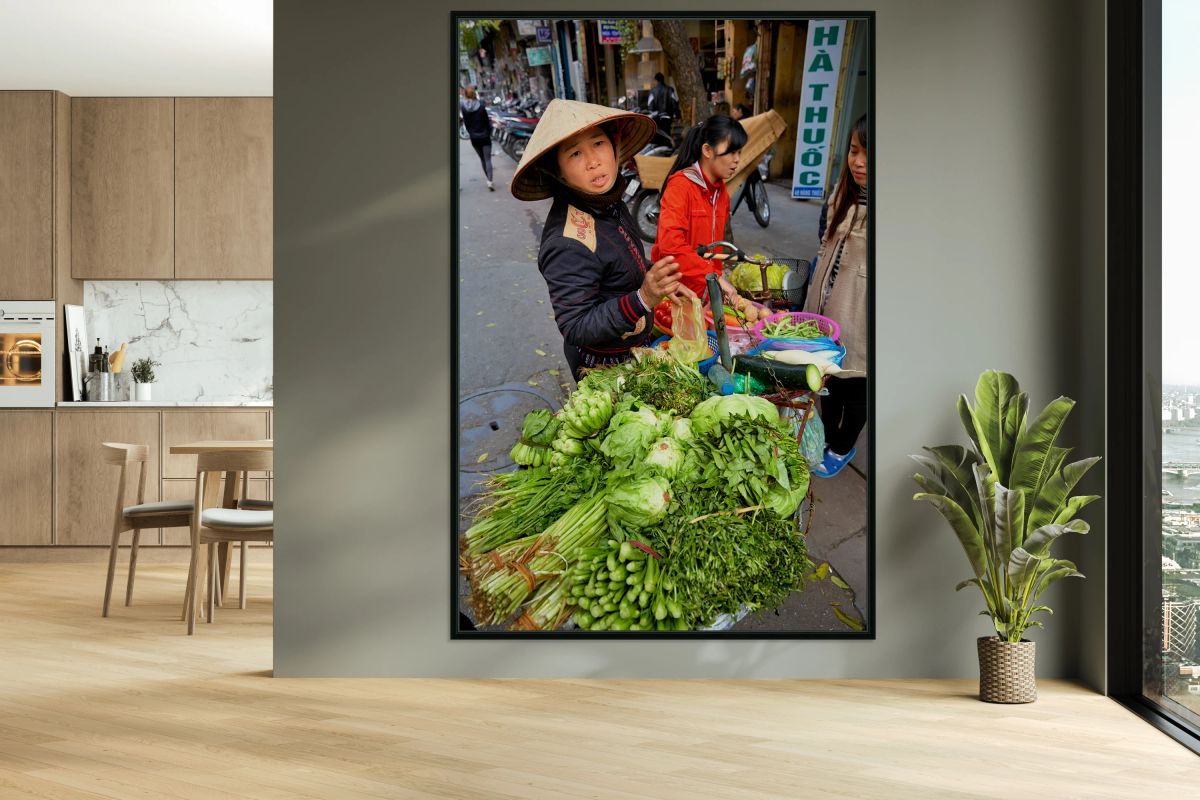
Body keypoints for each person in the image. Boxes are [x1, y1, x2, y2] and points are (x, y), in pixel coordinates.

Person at [510, 99, 687, 381]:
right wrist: (644, 298)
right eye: (575, 153)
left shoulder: (608, 201)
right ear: (558, 171)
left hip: (633, 350)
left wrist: (657, 276)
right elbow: (576, 325)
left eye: (598, 143)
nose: (593, 161)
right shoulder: (566, 241)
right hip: (603, 370)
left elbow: (622, 256)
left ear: (615, 144)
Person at [805, 114, 868, 478]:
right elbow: (823, 244)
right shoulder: (841, 191)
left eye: (868, 154)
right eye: (854, 151)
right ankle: (827, 437)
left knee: (857, 383)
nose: (858, 162)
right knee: (828, 378)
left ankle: (843, 446)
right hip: (827, 302)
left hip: (860, 310)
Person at [650, 114, 748, 321]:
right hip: (675, 294)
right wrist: (715, 278)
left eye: (739, 152)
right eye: (731, 152)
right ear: (707, 150)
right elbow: (671, 246)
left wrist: (714, 286)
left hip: (704, 295)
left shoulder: (721, 193)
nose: (737, 159)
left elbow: (715, 248)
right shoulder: (681, 186)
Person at [459, 86, 494, 190]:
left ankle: (488, 179)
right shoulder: (481, 105)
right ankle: (490, 181)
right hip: (485, 136)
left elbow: (466, 123)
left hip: (474, 138)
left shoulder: (463, 107)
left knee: (482, 159)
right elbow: (487, 122)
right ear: (474, 93)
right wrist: (489, 132)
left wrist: (471, 133)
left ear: (465, 94)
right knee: (488, 159)